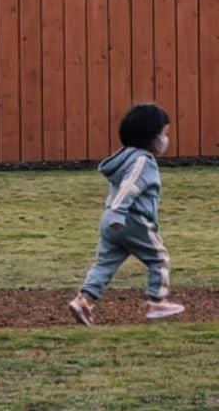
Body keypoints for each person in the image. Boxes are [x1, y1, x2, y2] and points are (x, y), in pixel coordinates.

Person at [68, 103, 185, 325]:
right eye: (163, 133)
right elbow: (130, 187)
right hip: (131, 220)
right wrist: (118, 213)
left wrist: (113, 214)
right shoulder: (144, 161)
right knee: (159, 258)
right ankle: (157, 301)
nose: (165, 139)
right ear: (151, 136)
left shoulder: (126, 157)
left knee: (104, 264)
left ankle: (83, 301)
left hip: (111, 220)